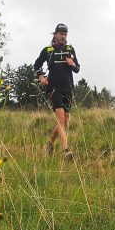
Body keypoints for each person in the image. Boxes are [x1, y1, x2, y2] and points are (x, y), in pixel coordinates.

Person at [34, 23, 80, 160]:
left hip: (68, 88)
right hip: (54, 87)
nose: (63, 36)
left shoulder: (70, 49)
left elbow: (78, 69)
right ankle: (66, 151)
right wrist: (41, 76)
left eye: (65, 34)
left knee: (65, 121)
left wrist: (73, 64)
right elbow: (37, 64)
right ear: (55, 35)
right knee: (60, 118)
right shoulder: (47, 50)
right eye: (60, 34)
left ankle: (49, 144)